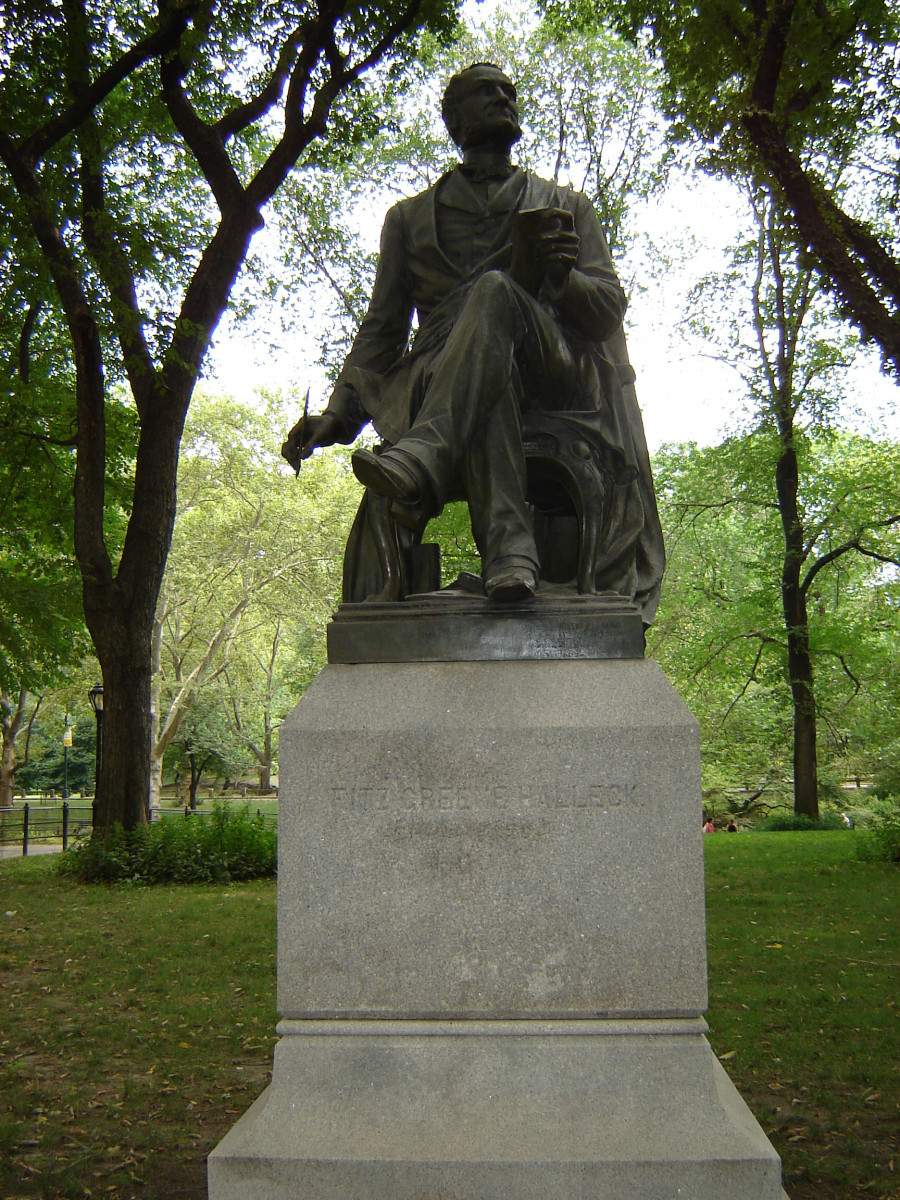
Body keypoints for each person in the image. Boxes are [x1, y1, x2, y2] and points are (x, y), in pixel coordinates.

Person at [283, 63, 664, 613]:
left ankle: (424, 457)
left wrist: (563, 277)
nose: (503, 99)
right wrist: (339, 415)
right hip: (448, 373)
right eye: (486, 92)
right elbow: (383, 330)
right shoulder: (408, 220)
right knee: (488, 371)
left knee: (494, 292)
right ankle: (511, 556)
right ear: (453, 119)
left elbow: (606, 312)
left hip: (549, 370)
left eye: (509, 92)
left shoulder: (568, 207)